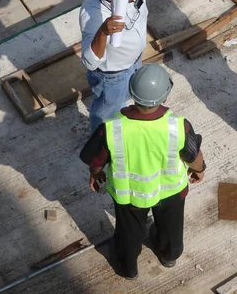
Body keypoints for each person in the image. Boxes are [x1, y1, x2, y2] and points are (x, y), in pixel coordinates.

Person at [80, 63, 206, 280]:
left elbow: (97, 160)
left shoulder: (112, 129)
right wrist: (200, 170)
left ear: (131, 92)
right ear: (165, 97)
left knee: (128, 233)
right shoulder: (179, 126)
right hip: (171, 194)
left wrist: (96, 173)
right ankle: (169, 254)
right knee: (171, 227)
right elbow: (194, 156)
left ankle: (127, 267)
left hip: (130, 196)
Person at [79, 0, 173, 133]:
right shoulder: (91, 15)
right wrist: (103, 32)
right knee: (106, 112)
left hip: (134, 60)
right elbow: (90, 62)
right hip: (113, 74)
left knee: (128, 96)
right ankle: (100, 140)